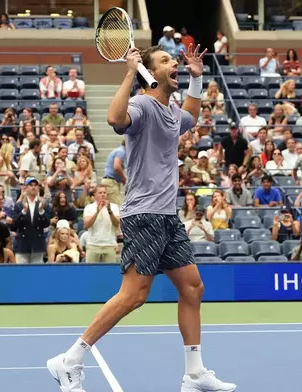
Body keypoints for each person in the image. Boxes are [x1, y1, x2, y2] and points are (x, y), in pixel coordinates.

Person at [46, 44, 236, 391]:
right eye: (165, 61)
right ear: (151, 73)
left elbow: (190, 118)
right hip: (144, 214)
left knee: (192, 287)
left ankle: (194, 374)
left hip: (167, 217)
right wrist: (131, 71)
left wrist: (196, 79)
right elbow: (115, 119)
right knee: (134, 294)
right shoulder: (143, 104)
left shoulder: (171, 109)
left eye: (173, 59)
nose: (174, 62)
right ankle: (69, 359)